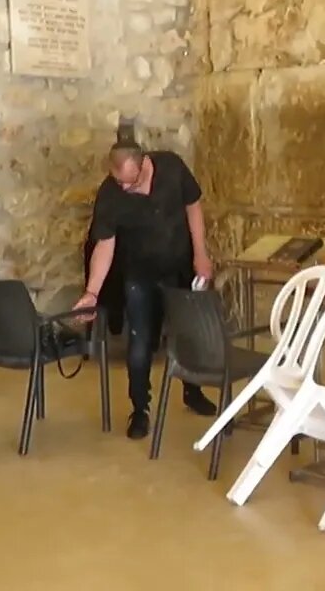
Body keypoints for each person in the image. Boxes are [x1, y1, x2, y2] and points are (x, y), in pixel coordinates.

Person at [75, 141, 218, 439]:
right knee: (139, 344)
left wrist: (200, 253)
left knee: (190, 333)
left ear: (144, 165)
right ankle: (139, 409)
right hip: (138, 273)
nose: (125, 188)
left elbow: (193, 206)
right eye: (119, 182)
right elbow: (105, 244)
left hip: (179, 266)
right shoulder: (111, 195)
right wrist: (91, 292)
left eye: (131, 182)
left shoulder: (172, 167)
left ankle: (193, 391)